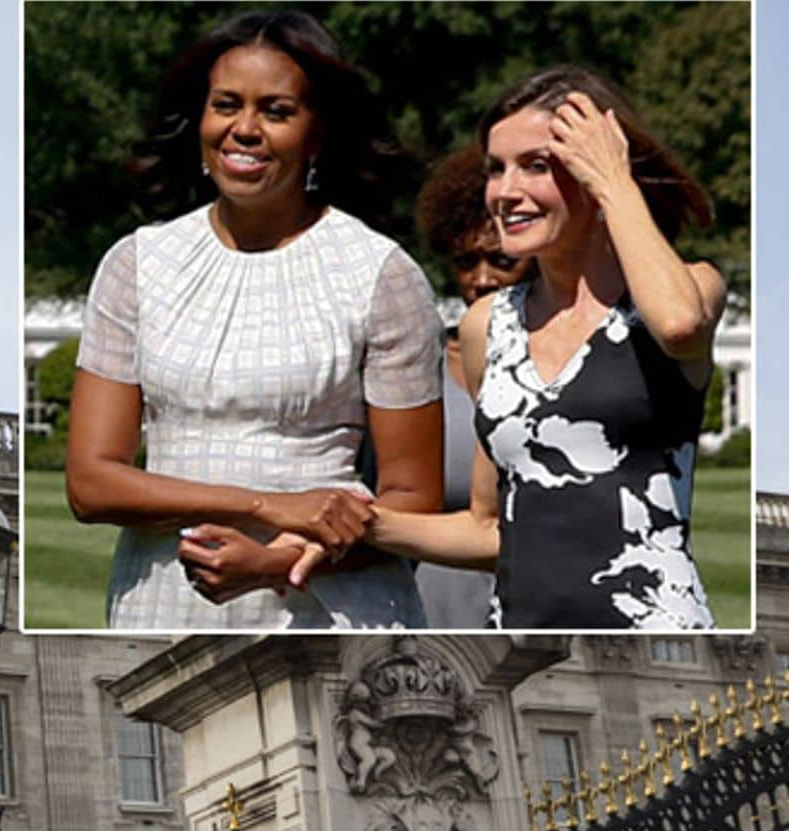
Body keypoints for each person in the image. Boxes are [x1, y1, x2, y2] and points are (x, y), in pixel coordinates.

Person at [64, 10, 442, 629]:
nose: (245, 129)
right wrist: (270, 506)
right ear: (201, 119)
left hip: (331, 609)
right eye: (227, 105)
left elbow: (414, 500)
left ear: (317, 133)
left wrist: (276, 561)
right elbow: (91, 484)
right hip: (165, 604)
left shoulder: (383, 274)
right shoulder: (136, 264)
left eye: (276, 111)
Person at [364, 66, 722, 628]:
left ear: (596, 164)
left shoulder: (689, 288)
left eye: (535, 165)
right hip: (518, 643)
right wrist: (358, 523)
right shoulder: (489, 326)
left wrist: (615, 183)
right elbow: (488, 527)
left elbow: (679, 325)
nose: (505, 193)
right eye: (496, 170)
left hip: (654, 637)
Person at [411, 146, 532, 627]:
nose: (481, 280)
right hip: (441, 606)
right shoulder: (417, 369)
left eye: (501, 261)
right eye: (466, 262)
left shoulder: (580, 370)